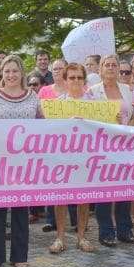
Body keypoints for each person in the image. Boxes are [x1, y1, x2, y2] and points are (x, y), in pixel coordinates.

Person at [0, 55, 43, 267]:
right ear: (1, 74)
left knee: (21, 209)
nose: (11, 75)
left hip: (24, 163)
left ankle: (20, 255)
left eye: (15, 71)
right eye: (7, 71)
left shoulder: (33, 97)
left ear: (22, 73)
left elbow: (43, 126)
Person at [84, 55, 134, 246]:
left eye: (114, 65)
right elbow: (88, 120)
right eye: (107, 65)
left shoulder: (127, 89)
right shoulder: (92, 92)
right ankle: (106, 232)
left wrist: (126, 129)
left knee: (125, 190)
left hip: (125, 146)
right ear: (100, 69)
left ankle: (125, 230)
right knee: (104, 191)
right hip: (102, 147)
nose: (111, 68)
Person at [46, 63, 95, 254]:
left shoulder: (94, 104)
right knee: (61, 198)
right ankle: (60, 237)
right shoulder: (57, 105)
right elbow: (49, 131)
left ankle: (82, 236)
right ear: (65, 80)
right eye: (72, 77)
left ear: (84, 80)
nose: (75, 81)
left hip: (86, 157)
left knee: (84, 198)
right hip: (63, 157)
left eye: (79, 77)